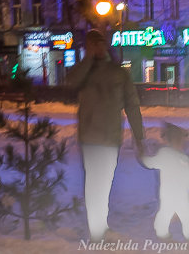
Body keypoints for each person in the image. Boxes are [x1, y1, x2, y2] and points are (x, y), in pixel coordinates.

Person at [67, 28, 145, 241]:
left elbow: (132, 105)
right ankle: (96, 230)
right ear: (88, 47)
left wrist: (140, 137)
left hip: (111, 138)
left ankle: (101, 225)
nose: (98, 47)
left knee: (105, 182)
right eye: (93, 44)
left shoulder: (118, 72)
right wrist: (88, 59)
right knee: (94, 183)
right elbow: (71, 82)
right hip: (90, 138)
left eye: (100, 43)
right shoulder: (83, 71)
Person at [142, 123, 189, 240]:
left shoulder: (165, 154)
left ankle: (162, 232)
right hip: (180, 193)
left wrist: (143, 156)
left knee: (166, 212)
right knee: (184, 214)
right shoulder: (183, 158)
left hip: (168, 193)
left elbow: (150, 163)